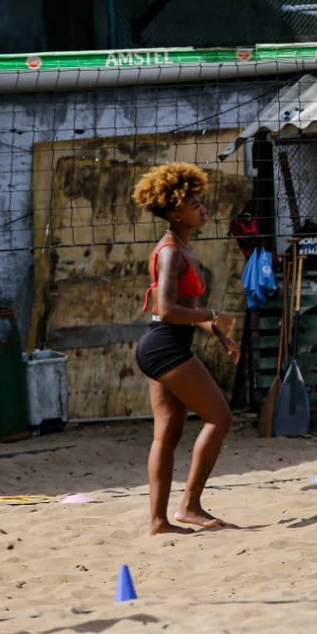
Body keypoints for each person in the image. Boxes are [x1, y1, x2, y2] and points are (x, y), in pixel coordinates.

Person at [132, 162, 239, 535]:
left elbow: (186, 312)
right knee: (220, 417)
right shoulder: (170, 253)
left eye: (201, 201)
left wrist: (217, 331)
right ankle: (189, 506)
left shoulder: (184, 249)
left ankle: (159, 522)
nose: (203, 208)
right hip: (165, 348)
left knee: (168, 434)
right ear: (176, 212)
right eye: (195, 204)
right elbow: (166, 309)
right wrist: (213, 314)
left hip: (164, 345)